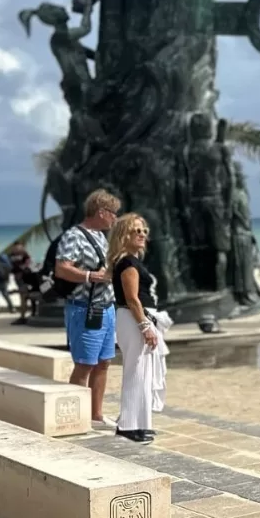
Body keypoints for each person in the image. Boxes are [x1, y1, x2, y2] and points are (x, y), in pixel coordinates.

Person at [56, 189, 121, 431]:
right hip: (85, 309)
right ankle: (75, 417)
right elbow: (62, 268)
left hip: (106, 308)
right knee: (84, 365)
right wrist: (90, 276)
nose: (115, 218)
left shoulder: (101, 236)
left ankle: (96, 415)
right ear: (101, 212)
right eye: (113, 213)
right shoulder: (74, 236)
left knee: (104, 363)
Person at [109, 213, 170, 444]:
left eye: (144, 231)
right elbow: (132, 299)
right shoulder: (127, 263)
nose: (142, 234)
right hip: (133, 318)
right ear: (124, 235)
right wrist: (145, 326)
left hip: (136, 317)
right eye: (137, 230)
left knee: (142, 373)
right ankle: (128, 425)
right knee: (136, 372)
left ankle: (139, 423)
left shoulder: (131, 261)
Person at [7, 242, 34, 324]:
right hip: (17, 277)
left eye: (18, 248)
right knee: (23, 296)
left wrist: (22, 270)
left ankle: (23, 316)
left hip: (24, 277)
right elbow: (9, 265)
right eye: (15, 248)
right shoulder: (11, 255)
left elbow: (29, 262)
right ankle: (25, 315)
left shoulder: (24, 254)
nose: (16, 250)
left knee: (23, 296)